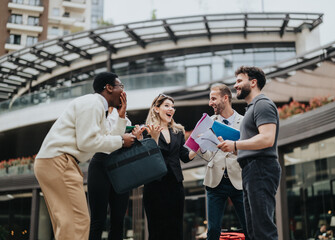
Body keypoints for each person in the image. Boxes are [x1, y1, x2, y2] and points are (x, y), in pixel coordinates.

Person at [34, 72, 135, 240]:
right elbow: (87, 142)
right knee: (79, 221)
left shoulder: (96, 106)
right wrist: (121, 141)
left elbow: (105, 142)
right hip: (60, 162)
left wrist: (121, 117)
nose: (123, 93)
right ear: (109, 88)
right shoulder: (93, 103)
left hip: (55, 161)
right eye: (121, 87)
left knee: (67, 222)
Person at [218, 66, 281, 240]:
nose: (235, 85)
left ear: (253, 82)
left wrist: (236, 145)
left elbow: (267, 139)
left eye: (239, 81)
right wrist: (232, 147)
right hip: (251, 169)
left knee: (263, 228)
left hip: (260, 168)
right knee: (253, 230)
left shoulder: (262, 104)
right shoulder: (252, 108)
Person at [88, 81, 143, 240]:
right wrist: (120, 118)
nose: (122, 94)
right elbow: (107, 141)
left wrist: (136, 138)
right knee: (97, 220)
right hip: (100, 165)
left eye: (124, 90)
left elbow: (125, 145)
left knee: (118, 221)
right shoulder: (99, 113)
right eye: (120, 89)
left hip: (120, 169)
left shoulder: (127, 120)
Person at [194, 83, 247, 240]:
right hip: (215, 182)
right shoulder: (207, 122)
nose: (210, 103)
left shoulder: (244, 122)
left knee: (249, 226)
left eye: (213, 98)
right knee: (213, 231)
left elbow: (249, 151)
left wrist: (232, 148)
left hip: (239, 180)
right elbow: (206, 153)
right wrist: (200, 144)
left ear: (225, 98)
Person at [143, 94, 197, 240]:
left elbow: (185, 157)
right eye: (167, 105)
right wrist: (154, 137)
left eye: (172, 107)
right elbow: (147, 158)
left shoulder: (178, 131)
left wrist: (199, 146)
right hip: (154, 185)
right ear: (156, 109)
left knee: (176, 227)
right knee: (156, 229)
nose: (171, 109)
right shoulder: (146, 130)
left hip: (175, 184)